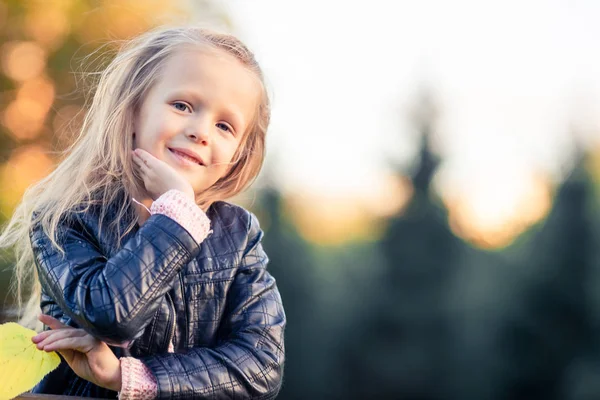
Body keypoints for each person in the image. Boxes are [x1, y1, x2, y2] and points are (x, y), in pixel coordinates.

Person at [0, 26, 285, 399]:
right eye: (182, 105)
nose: (201, 131)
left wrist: (130, 377)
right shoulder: (63, 218)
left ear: (237, 157)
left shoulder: (239, 234)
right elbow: (112, 315)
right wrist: (176, 218)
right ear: (133, 110)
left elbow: (261, 366)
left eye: (224, 126)